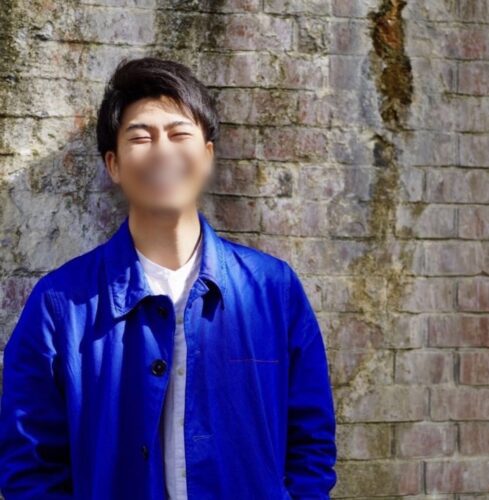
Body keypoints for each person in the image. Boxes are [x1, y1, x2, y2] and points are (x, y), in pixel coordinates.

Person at [0, 56, 337, 499]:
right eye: (141, 137)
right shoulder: (60, 305)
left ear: (207, 155)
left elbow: (311, 443)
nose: (162, 150)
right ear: (113, 164)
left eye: (179, 134)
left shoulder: (273, 290)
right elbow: (30, 464)